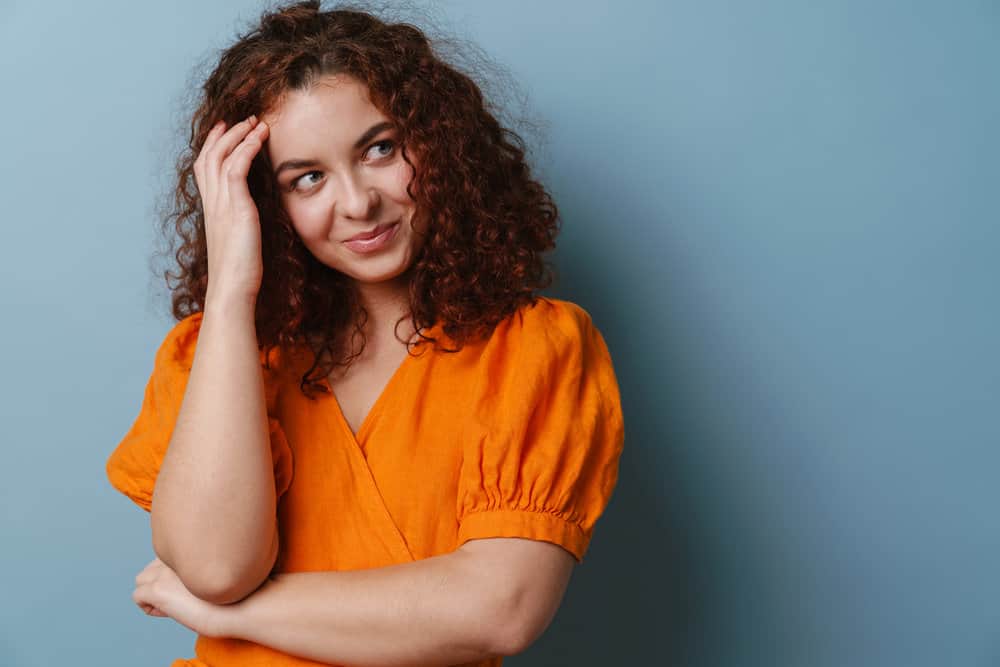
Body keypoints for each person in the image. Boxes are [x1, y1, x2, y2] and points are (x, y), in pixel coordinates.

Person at [106, 1, 625, 665]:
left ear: (438, 143)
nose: (357, 203)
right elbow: (215, 564)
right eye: (307, 178)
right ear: (269, 202)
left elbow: (501, 608)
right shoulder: (217, 354)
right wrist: (232, 290)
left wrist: (224, 613)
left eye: (379, 149)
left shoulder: (534, 348)